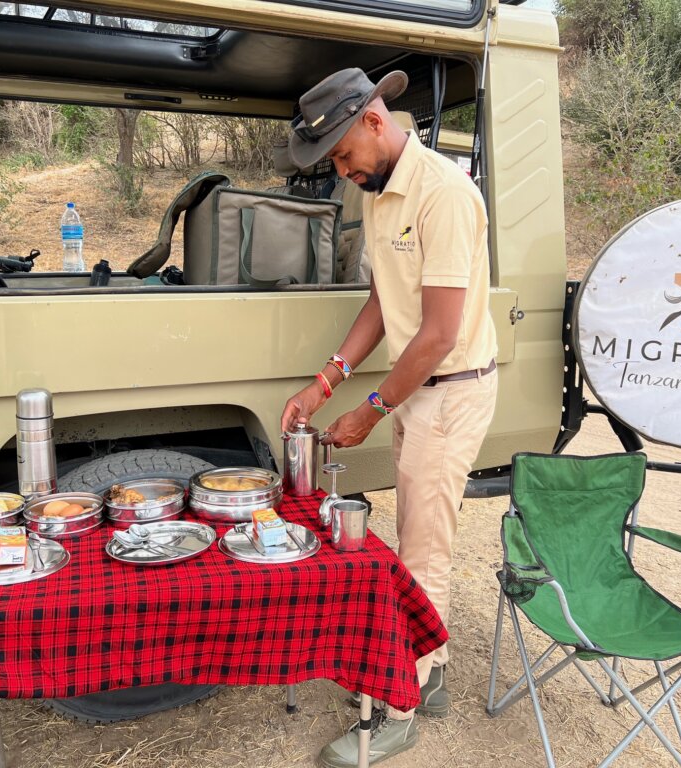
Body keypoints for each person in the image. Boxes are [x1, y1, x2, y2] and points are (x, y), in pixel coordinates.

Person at [281, 68, 499, 767]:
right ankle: (427, 673)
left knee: (422, 550)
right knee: (418, 532)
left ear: (376, 122)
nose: (343, 172)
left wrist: (370, 412)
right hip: (419, 388)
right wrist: (325, 382)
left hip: (451, 385)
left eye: (343, 155)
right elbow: (383, 303)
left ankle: (399, 711)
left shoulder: (445, 195)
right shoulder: (379, 191)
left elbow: (437, 332)